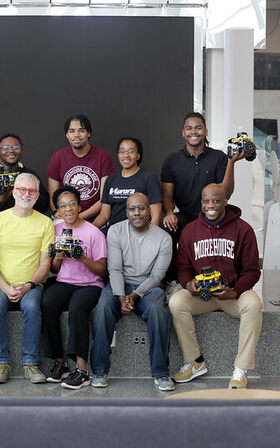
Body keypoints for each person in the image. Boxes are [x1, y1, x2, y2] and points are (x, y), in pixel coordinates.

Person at [169, 184, 262, 389]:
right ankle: (194, 362)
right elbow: (182, 267)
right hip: (203, 296)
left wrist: (235, 291)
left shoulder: (243, 229)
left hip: (233, 296)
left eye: (216, 200)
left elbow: (252, 271)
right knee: (176, 302)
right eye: (206, 201)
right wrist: (189, 284)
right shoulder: (190, 231)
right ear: (201, 203)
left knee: (253, 304)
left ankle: (241, 370)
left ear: (225, 201)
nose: (210, 205)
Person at [90, 193, 174, 391]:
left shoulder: (164, 238)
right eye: (132, 209)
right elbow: (115, 269)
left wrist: (134, 296)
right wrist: (121, 297)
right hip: (118, 285)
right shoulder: (115, 231)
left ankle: (161, 373)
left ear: (150, 210)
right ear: (126, 212)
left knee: (158, 309)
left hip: (147, 288)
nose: (137, 212)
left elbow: (156, 277)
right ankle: (100, 371)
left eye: (141, 208)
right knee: (101, 307)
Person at [161, 112, 245, 283]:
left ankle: (230, 281)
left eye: (198, 128)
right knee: (166, 232)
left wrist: (231, 163)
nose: (194, 132)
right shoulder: (172, 161)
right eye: (189, 128)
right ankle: (174, 282)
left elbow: (226, 193)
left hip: (214, 216)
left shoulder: (219, 157)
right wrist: (169, 212)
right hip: (186, 216)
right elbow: (167, 196)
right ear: (183, 132)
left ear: (205, 131)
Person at [0, 173, 53, 384]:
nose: (27, 194)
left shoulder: (45, 223)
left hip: (32, 284)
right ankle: (1, 363)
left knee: (33, 307)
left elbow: (45, 264)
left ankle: (31, 363)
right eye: (22, 190)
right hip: (0, 283)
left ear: (37, 194)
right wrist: (6, 287)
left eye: (32, 190)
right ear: (14, 192)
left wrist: (27, 286)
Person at [41, 185, 107, 389]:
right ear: (58, 211)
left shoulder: (93, 232)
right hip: (64, 282)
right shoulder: (55, 230)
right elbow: (53, 267)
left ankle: (81, 369)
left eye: (71, 204)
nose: (68, 209)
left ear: (79, 207)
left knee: (78, 307)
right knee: (47, 302)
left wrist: (83, 258)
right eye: (62, 206)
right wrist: (58, 258)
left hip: (89, 285)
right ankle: (60, 363)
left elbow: (101, 271)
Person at [46, 115, 114, 221]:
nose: (76, 135)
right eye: (72, 131)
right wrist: (57, 212)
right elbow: (53, 197)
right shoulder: (58, 157)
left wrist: (77, 219)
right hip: (65, 219)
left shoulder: (103, 156)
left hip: (95, 220)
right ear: (67, 135)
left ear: (89, 133)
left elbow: (103, 199)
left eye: (81, 130)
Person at [0, 133, 49, 220]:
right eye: (6, 148)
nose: (11, 150)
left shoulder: (29, 174)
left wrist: (27, 197)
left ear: (21, 150)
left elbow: (44, 205)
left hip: (26, 224)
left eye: (16, 147)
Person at [92, 137, 162, 230]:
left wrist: (149, 238)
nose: (126, 155)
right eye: (122, 151)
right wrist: (88, 231)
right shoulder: (111, 180)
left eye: (131, 151)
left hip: (138, 232)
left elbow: (155, 216)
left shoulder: (148, 178)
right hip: (114, 233)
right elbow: (104, 215)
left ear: (138, 155)